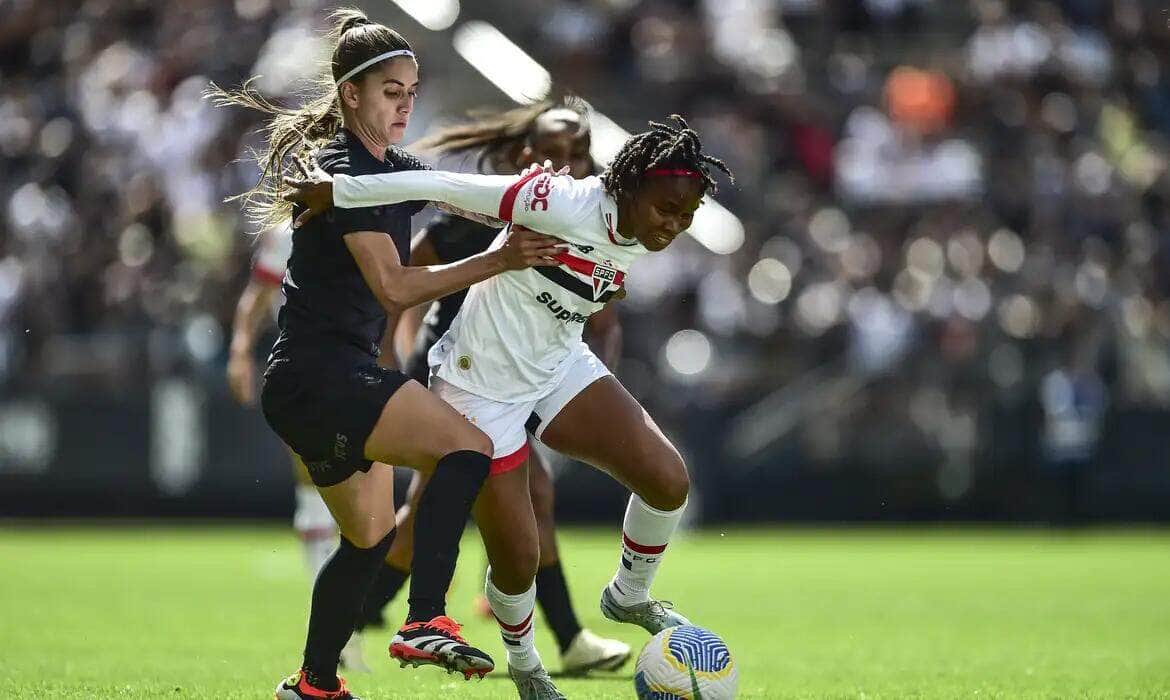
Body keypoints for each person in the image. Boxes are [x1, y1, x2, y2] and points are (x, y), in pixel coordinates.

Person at [285, 114, 733, 699]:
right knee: (518, 559)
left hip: (558, 365)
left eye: (686, 215)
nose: (674, 225)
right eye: (666, 209)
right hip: (479, 387)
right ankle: (526, 666)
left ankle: (629, 596)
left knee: (669, 480)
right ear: (626, 189)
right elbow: (442, 186)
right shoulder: (554, 200)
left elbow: (593, 279)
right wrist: (340, 190)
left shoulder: (634, 225)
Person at [210, 9, 566, 700]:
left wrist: (536, 197)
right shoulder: (343, 170)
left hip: (309, 384)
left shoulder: (391, 170)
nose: (405, 103)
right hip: (325, 374)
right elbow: (396, 287)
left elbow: (460, 197)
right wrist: (501, 258)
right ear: (352, 95)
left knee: (369, 542)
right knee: (466, 450)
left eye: (410, 90)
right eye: (390, 91)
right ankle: (427, 617)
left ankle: (313, 684)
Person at [356, 99, 631, 676]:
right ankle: (567, 637)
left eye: (577, 154)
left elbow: (602, 322)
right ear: (523, 157)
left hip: (526, 382)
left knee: (456, 509)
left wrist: (579, 388)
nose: (566, 164)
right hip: (457, 377)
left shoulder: (589, 226)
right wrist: (392, 354)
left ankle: (352, 618)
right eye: (552, 153)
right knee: (495, 502)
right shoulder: (471, 220)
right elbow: (403, 286)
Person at [226, 220, 372, 673]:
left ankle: (381, 607)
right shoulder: (287, 230)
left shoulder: (371, 209)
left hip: (364, 357)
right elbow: (259, 294)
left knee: (363, 492)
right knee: (315, 485)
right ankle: (339, 627)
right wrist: (240, 350)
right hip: (305, 361)